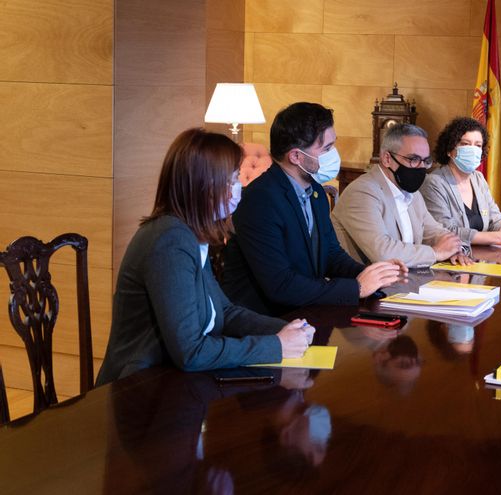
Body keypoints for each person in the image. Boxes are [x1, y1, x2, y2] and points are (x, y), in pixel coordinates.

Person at [96, 128, 314, 385]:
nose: (238, 188)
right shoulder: (169, 241)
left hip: (173, 382)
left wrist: (283, 330)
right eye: (233, 180)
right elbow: (191, 352)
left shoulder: (190, 233)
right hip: (140, 390)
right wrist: (275, 346)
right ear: (204, 185)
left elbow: (224, 311)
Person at [221, 102, 406, 316]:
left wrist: (373, 275)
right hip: (267, 323)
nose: (333, 154)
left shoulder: (316, 192)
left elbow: (330, 254)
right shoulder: (260, 200)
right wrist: (357, 288)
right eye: (326, 148)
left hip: (305, 314)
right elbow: (280, 285)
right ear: (296, 157)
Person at [331, 123, 471, 267]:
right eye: (413, 160)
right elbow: (383, 253)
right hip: (361, 284)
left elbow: (435, 232)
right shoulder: (362, 192)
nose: (421, 167)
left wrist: (455, 249)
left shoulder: (412, 193)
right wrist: (436, 253)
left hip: (402, 281)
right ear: (387, 159)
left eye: (425, 161)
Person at [420, 117, 501, 247]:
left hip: (481, 259)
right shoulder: (434, 183)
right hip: (451, 259)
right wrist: (497, 237)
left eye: (478, 145)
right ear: (449, 150)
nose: (473, 149)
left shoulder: (478, 178)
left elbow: (494, 217)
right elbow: (444, 231)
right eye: (465, 144)